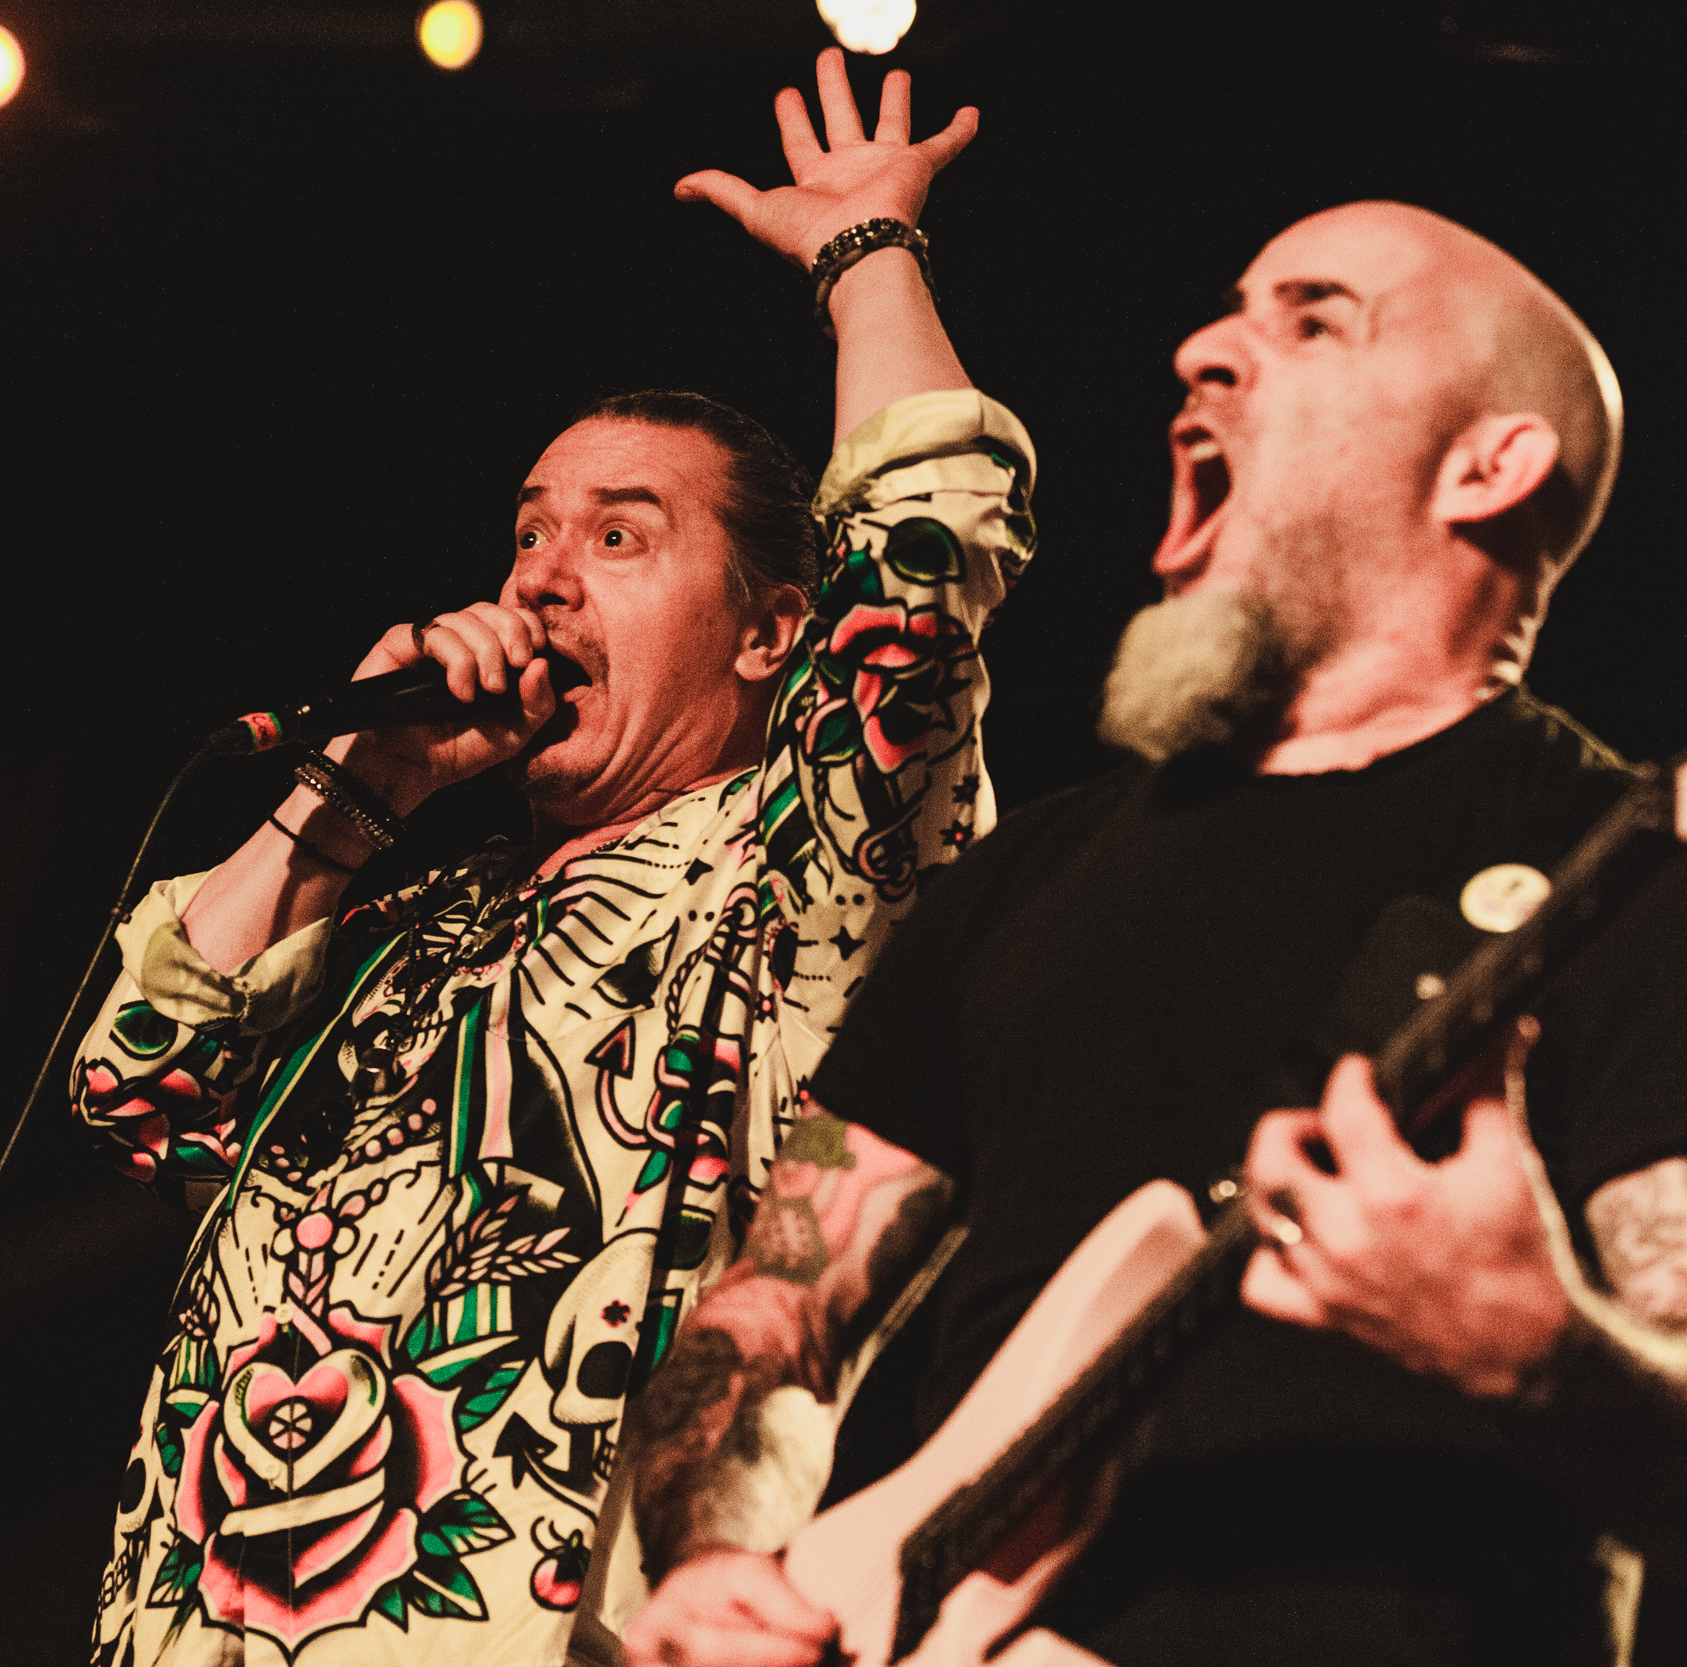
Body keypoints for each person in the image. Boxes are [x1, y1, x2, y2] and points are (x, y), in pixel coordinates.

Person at [621, 202, 1687, 1667]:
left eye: (1313, 318)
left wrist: (1539, 1345)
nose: (1204, 350)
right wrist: (712, 1561)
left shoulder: (1650, 885)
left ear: (1488, 466)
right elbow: (775, 1305)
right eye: (1231, 308)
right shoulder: (1026, 879)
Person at [69, 53, 1038, 1667]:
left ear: (771, 634)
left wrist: (867, 255)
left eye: (618, 535)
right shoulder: (401, 926)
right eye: (529, 532)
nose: (541, 580)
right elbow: (134, 1082)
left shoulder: (801, 867)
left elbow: (919, 570)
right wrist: (352, 796)